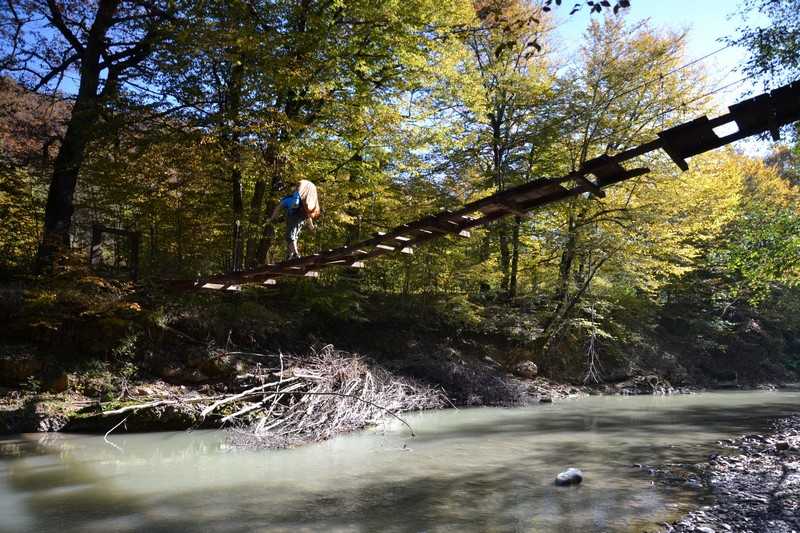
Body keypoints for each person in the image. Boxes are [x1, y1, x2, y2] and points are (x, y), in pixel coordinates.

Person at [269, 180, 318, 260]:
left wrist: (271, 218)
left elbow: (277, 209)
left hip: (293, 217)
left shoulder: (287, 199)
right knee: (294, 236)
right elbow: (307, 215)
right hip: (301, 219)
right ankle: (291, 254)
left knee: (289, 236)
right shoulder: (302, 199)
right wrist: (311, 227)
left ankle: (295, 254)